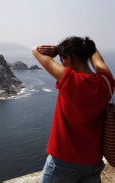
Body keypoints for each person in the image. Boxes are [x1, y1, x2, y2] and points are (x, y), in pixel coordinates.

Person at [32, 36, 115, 183]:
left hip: (63, 161)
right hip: (93, 162)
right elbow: (98, 60)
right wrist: (66, 49)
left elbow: (35, 51)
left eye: (62, 59)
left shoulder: (70, 79)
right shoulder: (107, 82)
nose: (62, 63)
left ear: (69, 59)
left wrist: (57, 49)